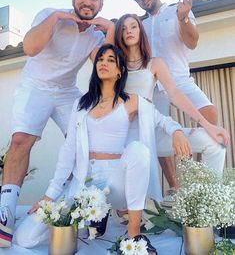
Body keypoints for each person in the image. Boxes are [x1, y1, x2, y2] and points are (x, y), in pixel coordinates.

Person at [15, 44, 192, 254]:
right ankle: (97, 216)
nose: (103, 63)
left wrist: (177, 132)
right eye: (100, 59)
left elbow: (163, 121)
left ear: (119, 71)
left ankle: (134, 234)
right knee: (25, 237)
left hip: (115, 181)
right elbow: (68, 149)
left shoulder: (131, 101)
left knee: (138, 150)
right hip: (84, 181)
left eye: (110, 60)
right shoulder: (81, 104)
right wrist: (49, 195)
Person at [0, 0, 115, 247]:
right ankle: (5, 213)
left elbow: (105, 65)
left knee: (87, 139)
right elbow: (30, 48)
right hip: (35, 86)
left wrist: (110, 28)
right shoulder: (50, 14)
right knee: (20, 140)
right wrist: (56, 19)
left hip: (66, 92)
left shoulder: (95, 34)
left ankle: (83, 204)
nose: (87, 2)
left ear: (100, 4)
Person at [114, 13, 228, 205]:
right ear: (119, 35)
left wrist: (207, 125)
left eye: (133, 26)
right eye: (123, 28)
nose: (128, 31)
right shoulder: (115, 64)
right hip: (123, 139)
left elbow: (175, 93)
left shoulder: (155, 63)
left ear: (141, 32)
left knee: (214, 142)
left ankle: (205, 207)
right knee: (142, 209)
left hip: (151, 133)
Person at [127, 0, 221, 190]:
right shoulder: (140, 26)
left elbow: (192, 42)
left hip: (180, 80)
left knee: (210, 113)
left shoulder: (177, 11)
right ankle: (175, 186)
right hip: (153, 85)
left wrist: (184, 18)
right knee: (155, 132)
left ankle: (200, 176)